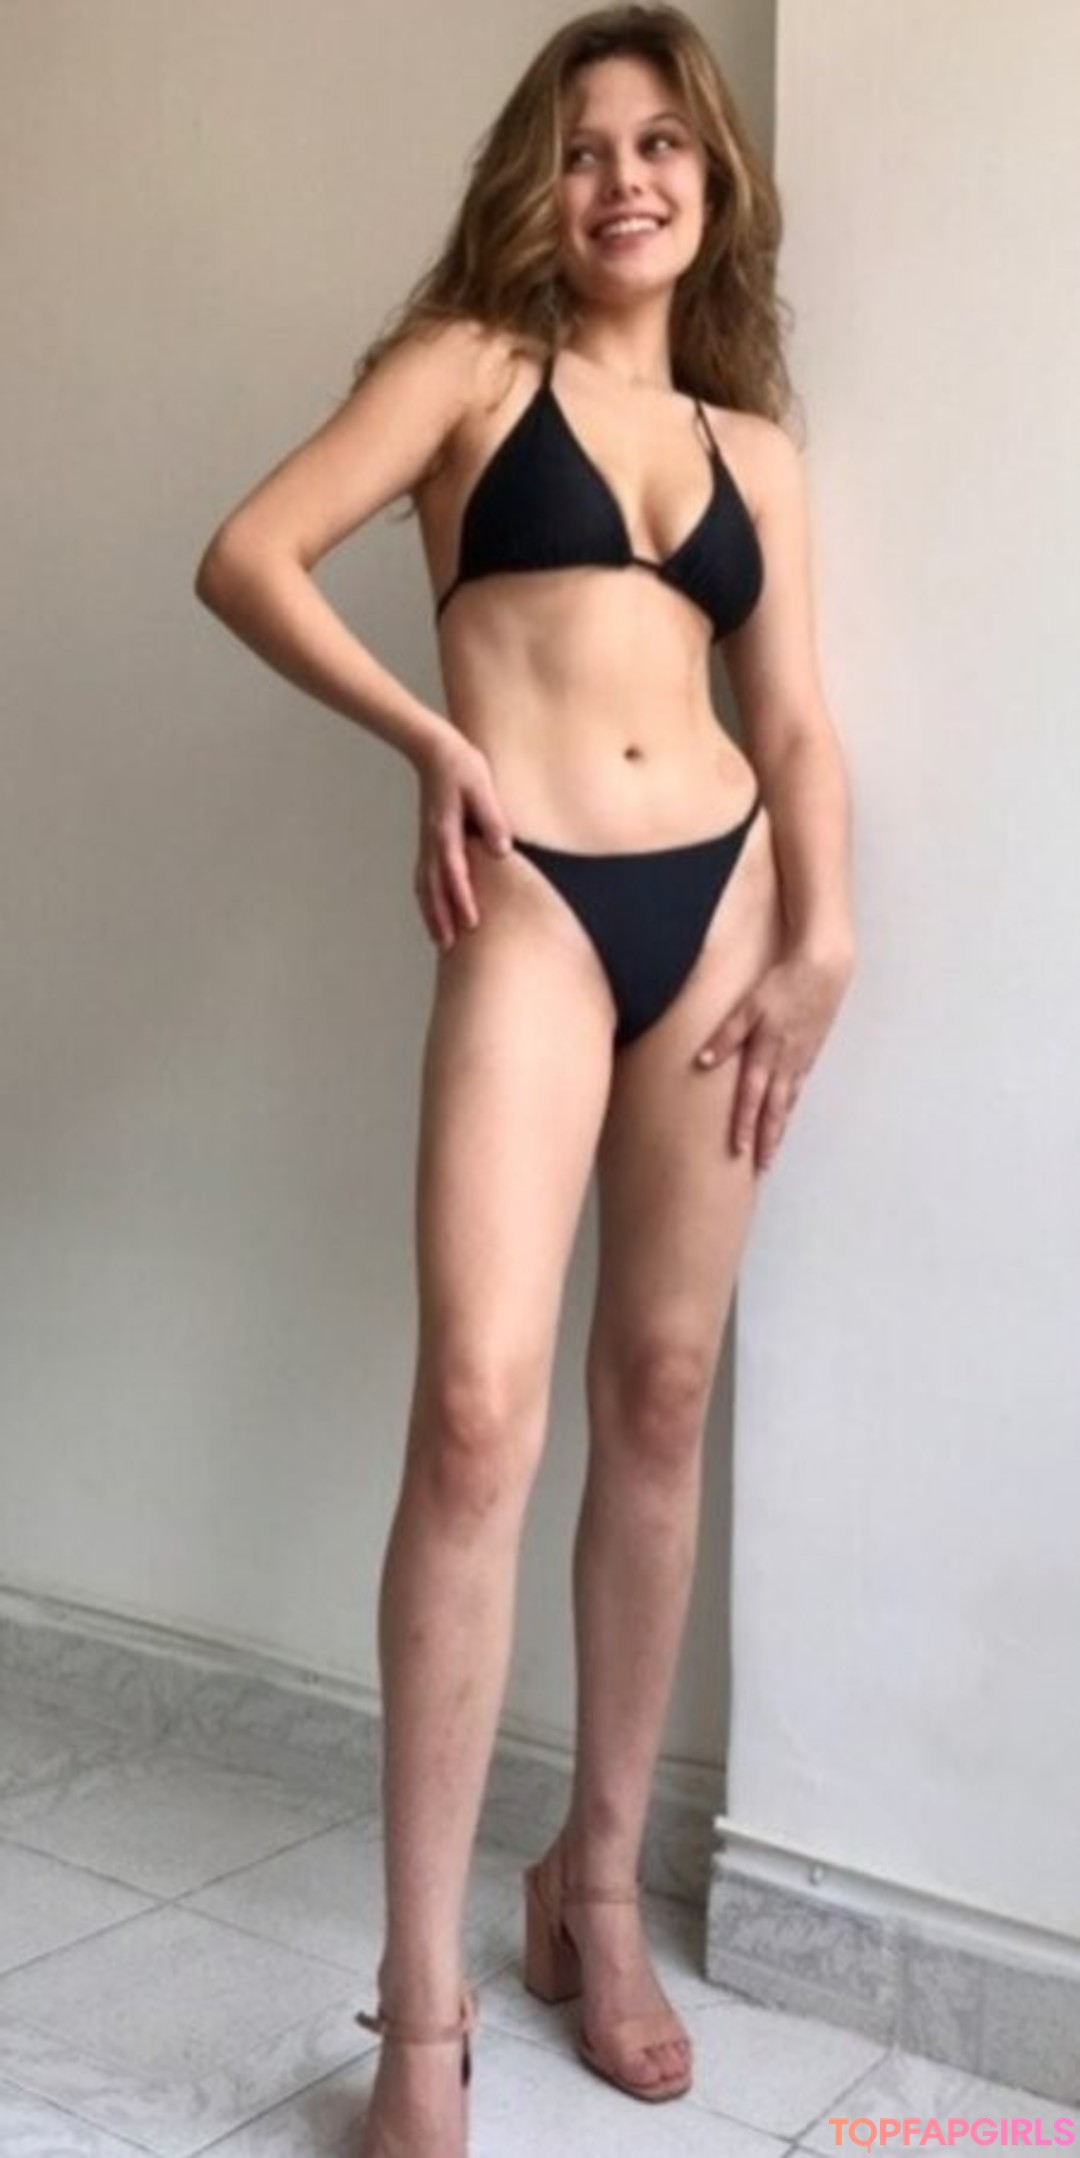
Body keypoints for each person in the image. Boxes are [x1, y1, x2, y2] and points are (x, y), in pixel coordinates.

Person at [194, 5, 855, 2152]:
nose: (625, 178)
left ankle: (597, 1885)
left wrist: (826, 931)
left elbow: (798, 718)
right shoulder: (470, 372)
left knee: (658, 1389)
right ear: (535, 185)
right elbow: (248, 552)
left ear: (714, 184)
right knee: (478, 1410)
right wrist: (432, 740)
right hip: (540, 900)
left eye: (664, 143)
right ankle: (420, 2000)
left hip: (728, 904)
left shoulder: (757, 452)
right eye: (584, 148)